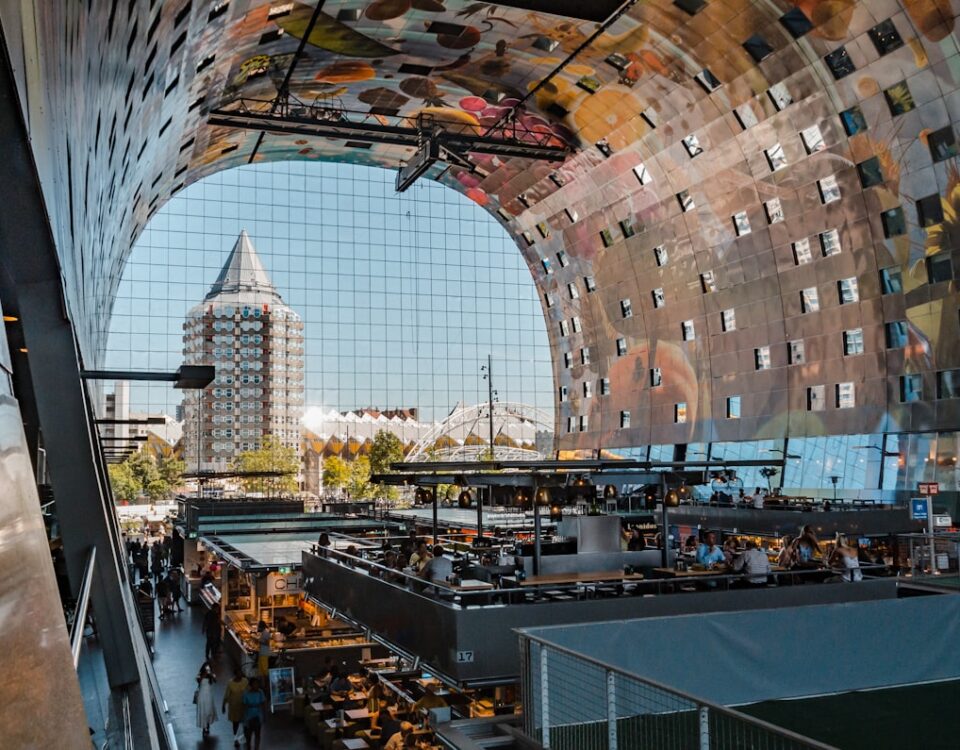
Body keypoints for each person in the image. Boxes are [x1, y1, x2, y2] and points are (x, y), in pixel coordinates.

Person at [222, 668, 249, 747]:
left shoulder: (245, 681)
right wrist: (223, 705)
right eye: (238, 673)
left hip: (243, 705)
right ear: (235, 674)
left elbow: (249, 690)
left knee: (245, 722)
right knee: (235, 723)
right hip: (234, 707)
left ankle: (245, 737)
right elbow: (226, 695)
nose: (240, 675)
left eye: (240, 673)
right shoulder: (230, 683)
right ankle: (236, 739)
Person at [242, 677, 267, 750]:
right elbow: (244, 707)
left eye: (257, 684)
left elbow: (263, 703)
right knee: (248, 736)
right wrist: (244, 718)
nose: (256, 685)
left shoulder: (260, 692)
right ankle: (249, 747)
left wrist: (264, 715)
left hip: (258, 715)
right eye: (255, 684)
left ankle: (256, 748)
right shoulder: (246, 694)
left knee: (257, 733)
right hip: (249, 716)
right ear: (251, 685)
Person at [195, 661, 218, 738]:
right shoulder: (199, 675)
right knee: (203, 712)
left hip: (209, 696)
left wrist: (211, 674)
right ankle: (204, 728)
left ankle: (207, 726)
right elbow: (198, 680)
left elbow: (215, 680)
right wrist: (204, 674)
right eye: (206, 668)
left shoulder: (211, 675)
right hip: (202, 696)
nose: (207, 669)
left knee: (208, 711)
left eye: (208, 668)